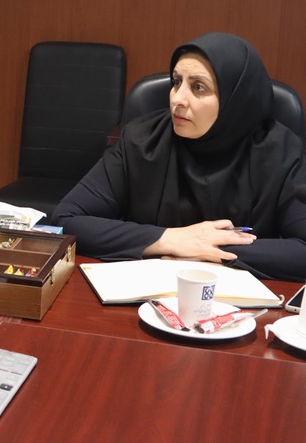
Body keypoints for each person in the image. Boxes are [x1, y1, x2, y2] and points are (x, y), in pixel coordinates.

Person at [53, 32, 306, 282]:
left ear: (236, 98)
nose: (177, 99)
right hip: (148, 292)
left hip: (244, 301)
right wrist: (171, 239)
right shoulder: (142, 141)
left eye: (198, 87)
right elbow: (67, 219)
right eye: (176, 82)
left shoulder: (281, 153)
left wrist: (211, 250)